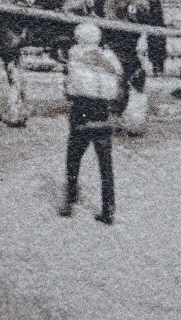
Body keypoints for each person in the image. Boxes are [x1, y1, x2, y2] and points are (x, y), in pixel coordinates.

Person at [60, 23, 125, 224]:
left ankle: (70, 201)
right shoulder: (110, 58)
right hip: (103, 118)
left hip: (81, 117)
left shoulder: (75, 58)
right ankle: (108, 209)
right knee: (106, 167)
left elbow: (70, 92)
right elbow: (117, 87)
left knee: (73, 160)